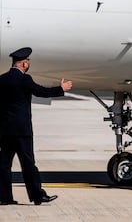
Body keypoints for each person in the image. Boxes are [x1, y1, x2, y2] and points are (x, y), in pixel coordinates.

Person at [0, 47, 73, 206]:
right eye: (28, 61)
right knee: (28, 164)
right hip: (22, 131)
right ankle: (38, 196)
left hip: (5, 130)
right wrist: (61, 89)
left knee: (4, 165)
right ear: (24, 63)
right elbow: (41, 92)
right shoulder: (24, 79)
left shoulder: (2, 79)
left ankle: (4, 197)